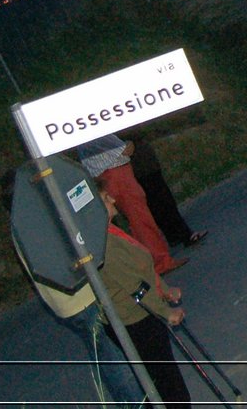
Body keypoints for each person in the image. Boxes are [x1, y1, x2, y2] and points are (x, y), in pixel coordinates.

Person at [96, 189, 194, 409]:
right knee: (166, 386)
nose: (113, 199)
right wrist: (165, 311)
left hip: (140, 315)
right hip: (135, 320)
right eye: (105, 198)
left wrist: (165, 289)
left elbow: (141, 268)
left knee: (164, 380)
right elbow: (134, 286)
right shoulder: (104, 244)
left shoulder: (110, 232)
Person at [77, 134, 183, 274]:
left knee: (119, 223)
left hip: (102, 174)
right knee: (140, 218)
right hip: (115, 172)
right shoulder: (92, 128)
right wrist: (128, 144)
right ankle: (160, 261)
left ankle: (147, 262)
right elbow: (124, 149)